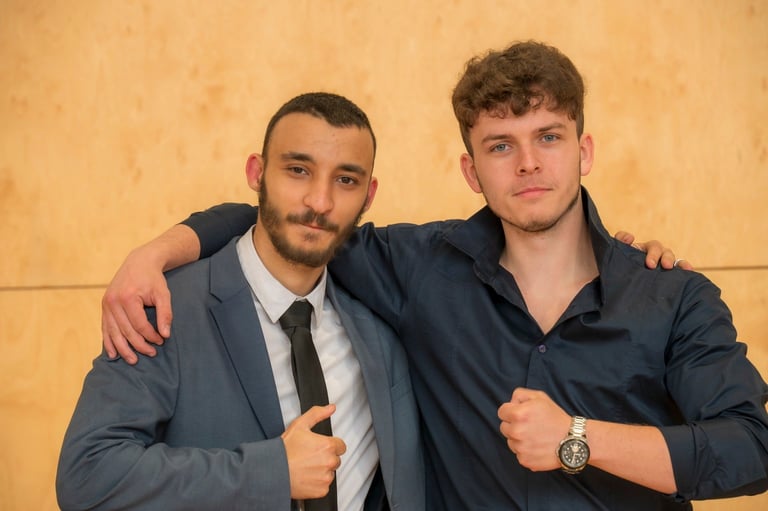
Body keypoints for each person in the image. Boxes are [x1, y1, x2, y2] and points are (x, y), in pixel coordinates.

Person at [100, 41, 768, 510]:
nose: (528, 163)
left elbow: (749, 450)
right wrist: (159, 250)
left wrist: (577, 439)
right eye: (501, 146)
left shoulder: (672, 294)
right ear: (472, 172)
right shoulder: (420, 268)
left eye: (550, 136)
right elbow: (301, 215)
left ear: (584, 150)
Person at [57, 93, 424, 511]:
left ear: (369, 195)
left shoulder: (381, 322)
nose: (319, 202)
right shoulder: (166, 308)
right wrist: (270, 472)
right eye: (298, 170)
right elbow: (87, 476)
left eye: (345, 180)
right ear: (257, 173)